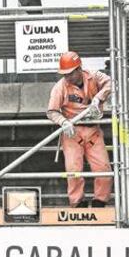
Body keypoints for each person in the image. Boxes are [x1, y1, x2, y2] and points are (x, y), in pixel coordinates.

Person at [46, 50, 112, 208]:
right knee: (73, 170)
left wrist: (99, 97)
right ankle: (77, 203)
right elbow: (51, 111)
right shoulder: (60, 87)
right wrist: (63, 122)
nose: (67, 77)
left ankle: (100, 201)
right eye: (64, 74)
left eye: (69, 73)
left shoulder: (94, 76)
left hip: (93, 131)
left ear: (78, 69)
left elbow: (111, 83)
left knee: (103, 168)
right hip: (72, 133)